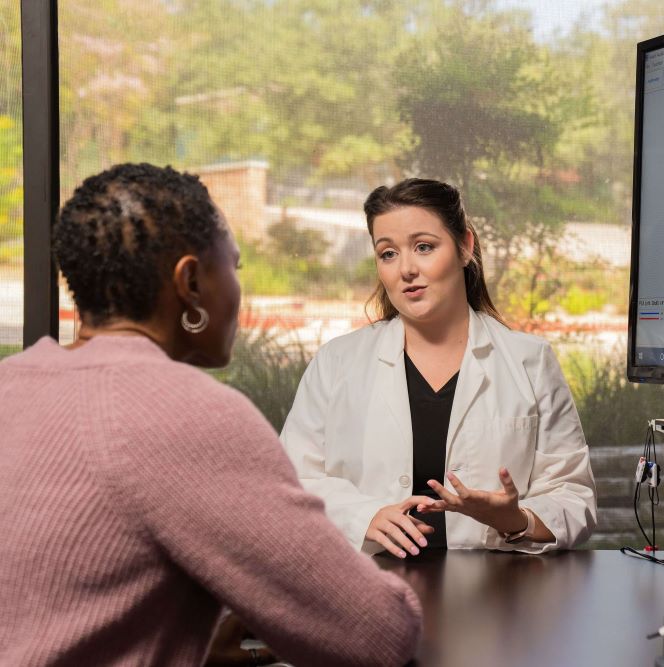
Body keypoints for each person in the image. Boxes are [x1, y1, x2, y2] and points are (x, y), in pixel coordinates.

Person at [0, 164, 421, 666]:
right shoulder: (187, 412)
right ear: (191, 282)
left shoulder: (11, 382)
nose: (238, 291)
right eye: (234, 267)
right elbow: (377, 633)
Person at [280, 178, 596, 558]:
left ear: (465, 247)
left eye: (424, 247)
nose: (406, 269)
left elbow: (574, 496)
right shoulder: (336, 363)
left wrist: (515, 519)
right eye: (388, 254)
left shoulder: (530, 360)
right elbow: (291, 482)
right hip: (370, 587)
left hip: (495, 598)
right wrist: (364, 516)